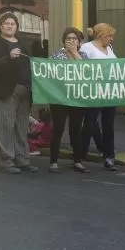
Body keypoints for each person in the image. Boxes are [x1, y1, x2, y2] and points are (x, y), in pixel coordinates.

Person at [0, 12, 36, 174]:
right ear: (0, 26)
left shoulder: (22, 41)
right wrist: (8, 57)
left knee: (21, 127)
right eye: (6, 23)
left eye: (12, 23)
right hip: (5, 91)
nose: (9, 26)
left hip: (25, 90)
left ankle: (22, 159)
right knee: (5, 126)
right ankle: (6, 160)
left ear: (16, 26)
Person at [48, 27, 89, 174]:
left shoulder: (83, 55)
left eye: (74, 39)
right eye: (68, 39)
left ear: (79, 42)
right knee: (58, 129)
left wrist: (74, 53)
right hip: (59, 98)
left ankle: (77, 161)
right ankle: (53, 161)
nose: (71, 41)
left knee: (76, 130)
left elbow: (86, 72)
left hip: (77, 98)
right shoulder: (57, 55)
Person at [80, 23, 118, 171]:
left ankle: (109, 156)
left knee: (108, 125)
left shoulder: (109, 48)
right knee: (89, 123)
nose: (112, 39)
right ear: (101, 35)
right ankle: (81, 155)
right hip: (94, 91)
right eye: (109, 36)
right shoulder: (87, 48)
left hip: (110, 91)